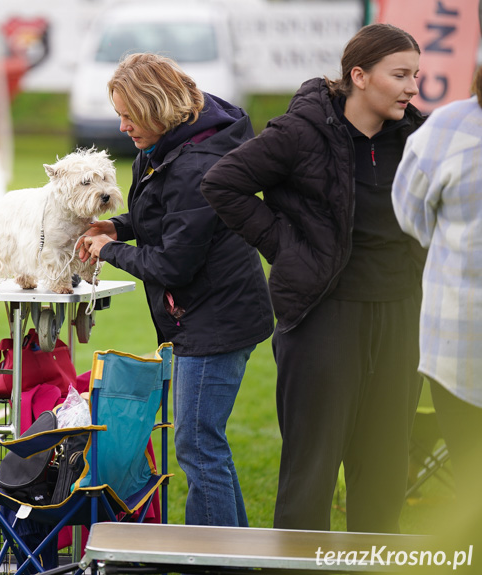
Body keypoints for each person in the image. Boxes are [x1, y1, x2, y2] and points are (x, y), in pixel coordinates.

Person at [201, 23, 426, 533]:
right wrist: (285, 248)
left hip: (402, 313)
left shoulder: (419, 137)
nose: (413, 87)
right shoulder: (300, 132)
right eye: (401, 74)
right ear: (360, 76)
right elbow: (223, 183)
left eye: (416, 74)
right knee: (312, 471)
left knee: (386, 469)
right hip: (324, 315)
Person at [77, 53, 274, 527]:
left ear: (157, 107)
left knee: (198, 444)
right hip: (200, 314)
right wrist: (118, 227)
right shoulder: (165, 145)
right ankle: (234, 555)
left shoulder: (196, 164)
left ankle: (214, 559)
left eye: (128, 115)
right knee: (203, 443)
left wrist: (107, 250)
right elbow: (163, 220)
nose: (122, 126)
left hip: (217, 320)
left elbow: (172, 263)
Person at [392, 66, 482, 516]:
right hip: (460, 344)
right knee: (471, 482)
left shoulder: (447, 127)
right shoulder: (445, 128)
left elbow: (414, 221)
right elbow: (411, 217)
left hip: (457, 335)